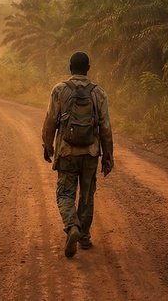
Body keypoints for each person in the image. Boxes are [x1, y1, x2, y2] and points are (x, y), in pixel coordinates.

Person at [42, 51, 113, 258]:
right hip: (91, 152)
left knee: (65, 193)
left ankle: (72, 226)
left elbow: (50, 121)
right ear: (88, 68)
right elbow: (106, 127)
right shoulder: (99, 92)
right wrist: (108, 155)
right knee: (87, 194)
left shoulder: (59, 90)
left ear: (70, 67)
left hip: (67, 152)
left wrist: (47, 146)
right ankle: (83, 237)